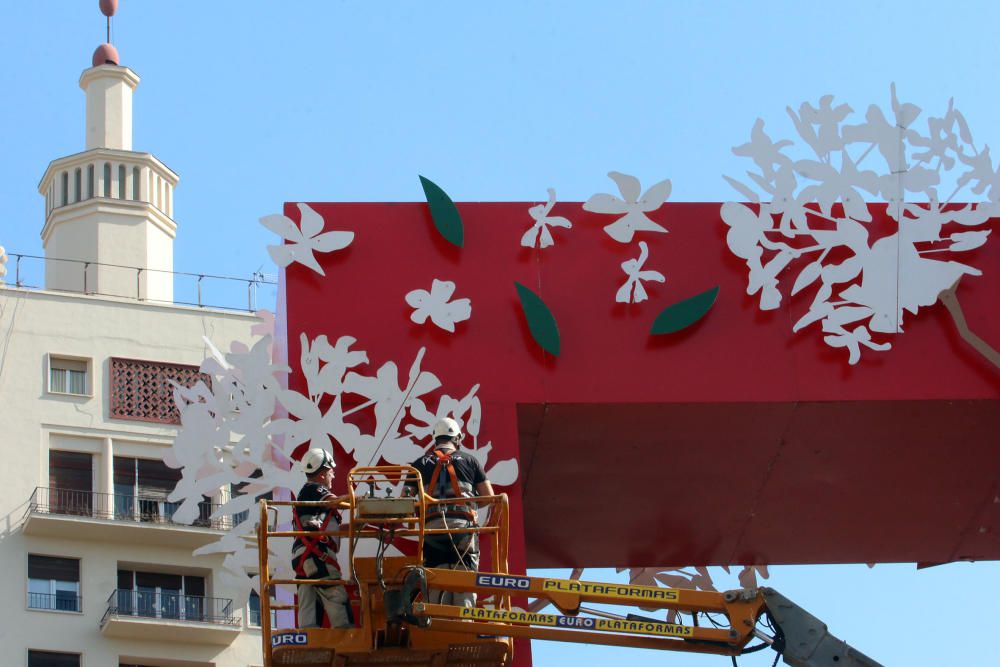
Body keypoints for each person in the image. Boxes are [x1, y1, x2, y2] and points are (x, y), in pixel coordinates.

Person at [406, 417, 494, 608]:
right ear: (457, 438)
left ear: (435, 438)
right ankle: (463, 626)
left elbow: (405, 500)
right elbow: (489, 497)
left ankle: (437, 625)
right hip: (463, 529)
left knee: (436, 582)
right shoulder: (470, 461)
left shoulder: (418, 464)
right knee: (463, 583)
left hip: (432, 532)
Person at [292, 447, 351, 629]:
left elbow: (327, 528)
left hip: (304, 557)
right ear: (323, 474)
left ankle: (309, 642)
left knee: (309, 603)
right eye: (332, 472)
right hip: (318, 557)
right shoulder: (314, 489)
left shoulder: (307, 494)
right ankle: (347, 639)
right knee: (336, 597)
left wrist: (357, 527)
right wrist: (359, 501)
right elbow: (335, 501)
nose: (333, 476)